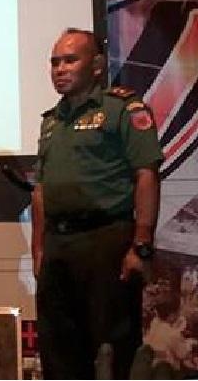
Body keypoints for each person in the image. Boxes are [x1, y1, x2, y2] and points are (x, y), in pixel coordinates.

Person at [32, 28, 164, 379]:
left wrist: (142, 245)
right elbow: (41, 189)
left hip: (106, 240)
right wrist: (39, 250)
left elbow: (146, 174)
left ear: (97, 65)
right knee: (59, 350)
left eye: (70, 60)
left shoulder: (123, 110)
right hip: (58, 245)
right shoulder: (51, 121)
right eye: (55, 62)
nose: (60, 69)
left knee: (112, 348)